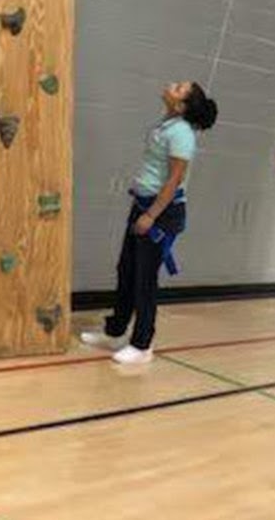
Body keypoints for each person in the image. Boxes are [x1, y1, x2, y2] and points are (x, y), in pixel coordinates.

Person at [80, 81, 217, 369]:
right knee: (126, 270)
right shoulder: (167, 124)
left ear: (181, 105)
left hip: (161, 213)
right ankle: (116, 332)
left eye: (178, 87)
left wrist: (152, 215)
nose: (171, 85)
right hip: (142, 205)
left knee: (144, 279)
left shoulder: (182, 133)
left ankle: (142, 345)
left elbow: (174, 180)